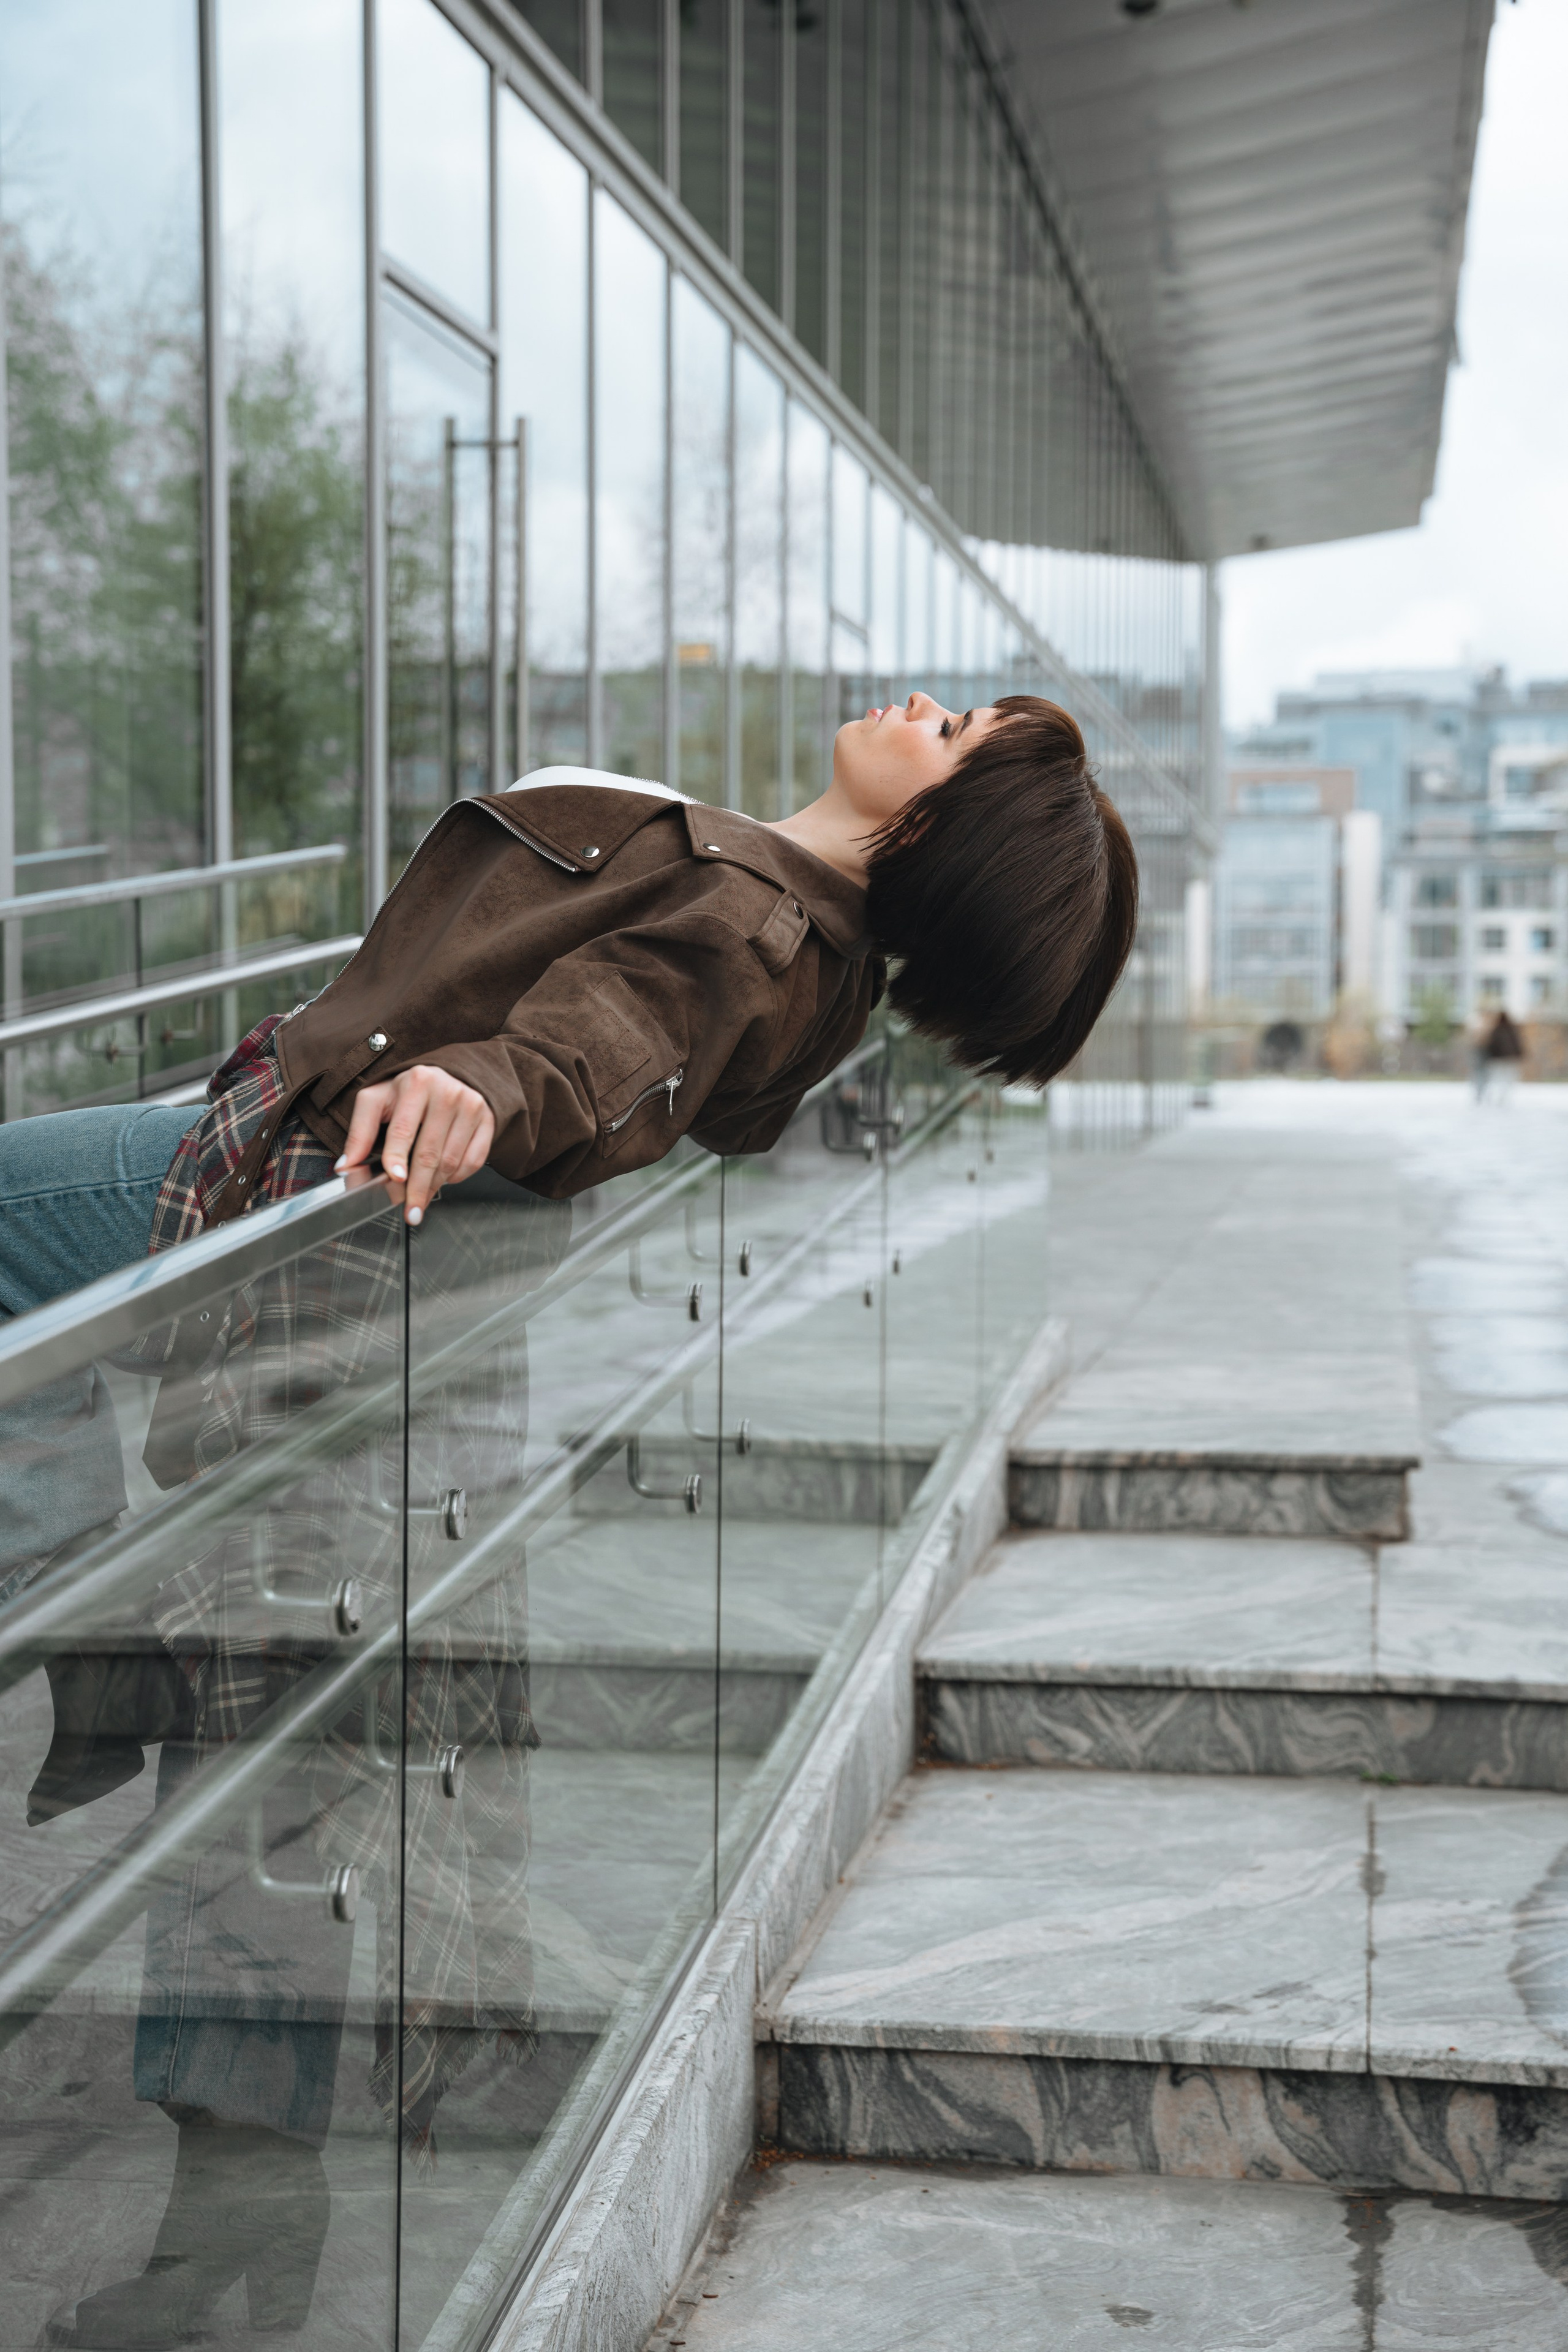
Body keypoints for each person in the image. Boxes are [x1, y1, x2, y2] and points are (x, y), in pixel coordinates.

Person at [4, 691, 1136, 2345]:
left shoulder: (760, 925)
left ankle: (80, 1599)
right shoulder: (782, 916)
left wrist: (484, 1088)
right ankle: (231, 2230)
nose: (922, 707)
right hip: (368, 1268)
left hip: (283, 1174)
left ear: (933, 828)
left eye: (956, 733)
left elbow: (600, 1041)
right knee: (270, 1773)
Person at [1474, 1006, 1525, 1105]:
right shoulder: (1512, 1030)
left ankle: (1496, 1097)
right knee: (1507, 1079)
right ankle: (1503, 1097)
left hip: (1497, 1060)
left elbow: (1491, 1045)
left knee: (1495, 1078)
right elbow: (1517, 1044)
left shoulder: (1496, 1030)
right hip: (1510, 1059)